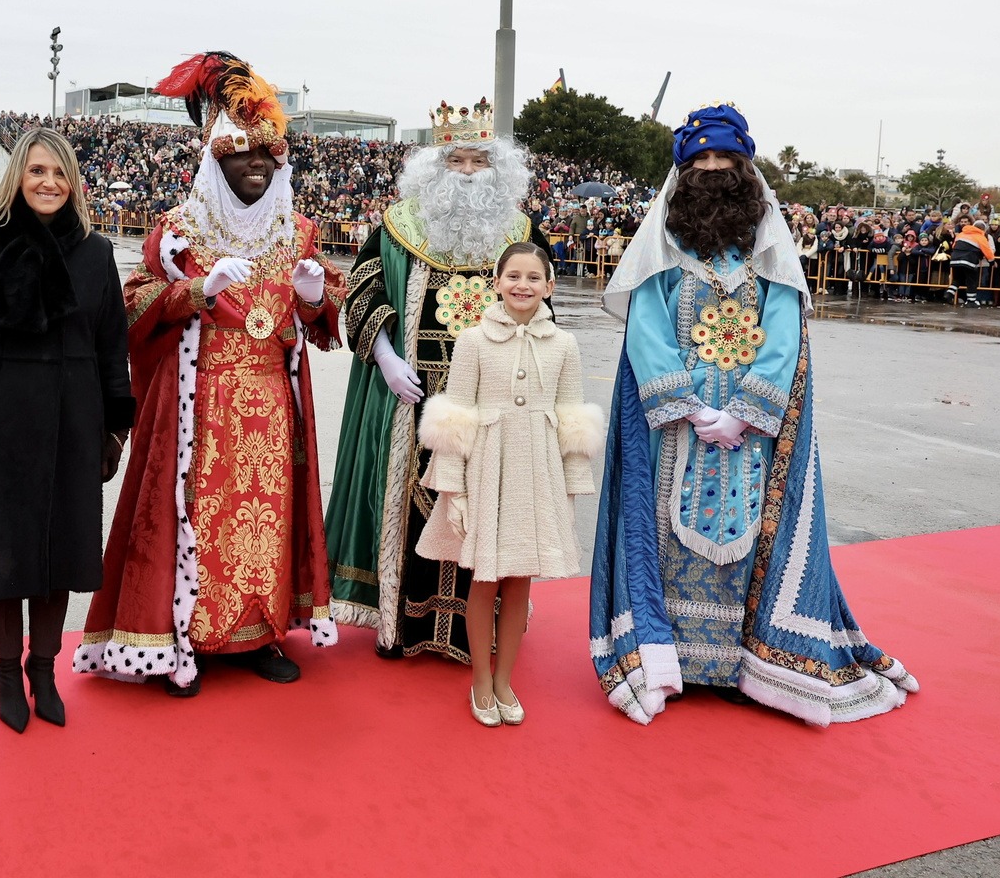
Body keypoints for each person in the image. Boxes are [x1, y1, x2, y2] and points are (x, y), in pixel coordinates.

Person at [590, 103, 917, 725]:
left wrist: (743, 413)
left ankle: (746, 663)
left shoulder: (770, 246)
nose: (713, 169)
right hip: (676, 425)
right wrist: (687, 407)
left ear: (744, 167)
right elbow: (646, 327)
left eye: (724, 158)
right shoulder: (663, 244)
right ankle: (673, 659)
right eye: (701, 159)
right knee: (664, 535)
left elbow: (785, 329)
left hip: (752, 428)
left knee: (753, 537)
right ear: (684, 170)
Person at [72, 51, 344, 695]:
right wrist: (194, 290)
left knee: (267, 523)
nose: (256, 165)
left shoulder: (298, 232)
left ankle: (260, 635)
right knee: (199, 518)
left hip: (272, 411)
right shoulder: (179, 231)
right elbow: (130, 306)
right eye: (241, 156)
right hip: (201, 407)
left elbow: (325, 319)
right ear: (216, 162)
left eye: (267, 156)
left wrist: (313, 299)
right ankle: (183, 639)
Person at [326, 100, 551, 662]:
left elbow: (544, 313)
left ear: (497, 168)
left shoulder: (522, 232)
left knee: (483, 504)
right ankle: (401, 625)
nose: (468, 172)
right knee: (413, 505)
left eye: (479, 161)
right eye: (457, 161)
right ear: (436, 166)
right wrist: (386, 358)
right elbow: (364, 291)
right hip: (413, 393)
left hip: (492, 400)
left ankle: (478, 628)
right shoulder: (398, 226)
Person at [0, 128, 133, 732]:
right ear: (17, 176)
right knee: (2, 553)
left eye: (60, 173)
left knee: (61, 549)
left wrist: (114, 432)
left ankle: (44, 668)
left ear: (74, 184)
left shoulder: (95, 254)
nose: (49, 182)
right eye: (38, 170)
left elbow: (112, 349)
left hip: (74, 425)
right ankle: (5, 669)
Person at [414, 242, 603, 725]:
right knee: (485, 579)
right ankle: (481, 681)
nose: (523, 285)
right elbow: (456, 418)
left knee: (520, 580)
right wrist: (454, 492)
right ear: (496, 282)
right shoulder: (472, 341)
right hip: (487, 470)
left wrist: (570, 489)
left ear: (550, 286)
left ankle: (504, 680)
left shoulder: (564, 344)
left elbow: (571, 419)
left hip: (537, 471)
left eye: (534, 277)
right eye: (513, 276)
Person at [947, 221, 995, 307]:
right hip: (969, 260)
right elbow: (987, 251)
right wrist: (992, 262)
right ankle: (971, 301)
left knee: (958, 278)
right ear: (983, 229)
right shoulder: (980, 237)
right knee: (972, 281)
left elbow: (954, 246)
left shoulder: (961, 234)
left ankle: (949, 294)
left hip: (955, 259)